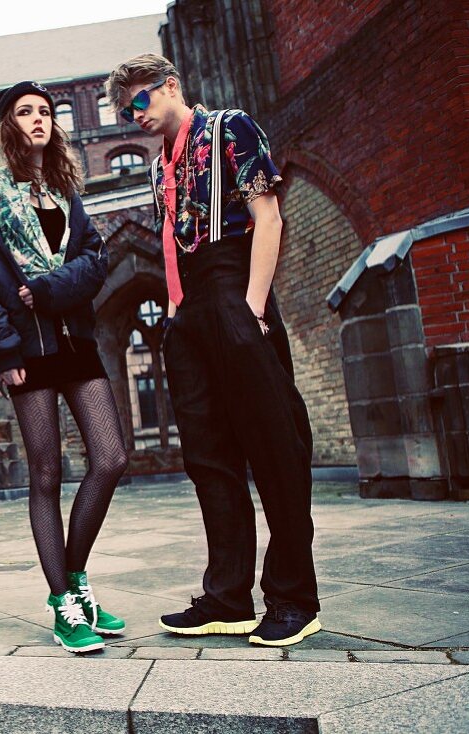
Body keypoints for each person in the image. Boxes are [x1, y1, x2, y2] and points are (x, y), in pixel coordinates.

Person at [103, 54, 321, 647]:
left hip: (234, 289)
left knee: (275, 447)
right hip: (189, 309)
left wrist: (252, 307)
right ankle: (228, 596)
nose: (134, 115)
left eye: (141, 100)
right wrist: (175, 315)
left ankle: (295, 598)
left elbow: (267, 216)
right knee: (208, 458)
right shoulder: (157, 170)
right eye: (126, 110)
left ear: (171, 86)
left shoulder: (231, 127)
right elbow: (173, 248)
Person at [0, 81, 130, 654]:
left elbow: (95, 260)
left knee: (111, 458)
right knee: (47, 475)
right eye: (25, 112)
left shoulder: (65, 190)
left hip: (74, 340)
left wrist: (47, 289)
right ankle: (64, 603)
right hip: (26, 352)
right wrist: (4, 352)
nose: (38, 120)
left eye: (46, 112)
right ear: (7, 125)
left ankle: (73, 580)